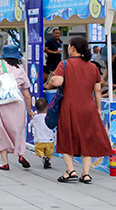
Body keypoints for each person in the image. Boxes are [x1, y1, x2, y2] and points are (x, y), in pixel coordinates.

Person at [45, 36, 112, 184]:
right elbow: (97, 90)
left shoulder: (64, 64)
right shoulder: (93, 67)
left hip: (69, 107)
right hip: (88, 107)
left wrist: (54, 77)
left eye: (69, 46)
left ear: (73, 48)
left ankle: (70, 171)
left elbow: (57, 82)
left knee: (66, 137)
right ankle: (86, 174)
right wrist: (98, 108)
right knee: (86, 139)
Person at [0, 45, 33, 171]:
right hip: (16, 101)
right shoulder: (20, 70)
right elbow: (27, 94)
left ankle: (5, 162)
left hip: (0, 100)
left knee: (0, 129)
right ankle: (21, 154)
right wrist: (29, 111)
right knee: (18, 129)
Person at [31, 98, 55, 169]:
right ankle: (48, 161)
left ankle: (43, 157)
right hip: (49, 140)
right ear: (48, 107)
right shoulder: (50, 117)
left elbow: (32, 124)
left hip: (39, 140)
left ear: (37, 109)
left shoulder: (36, 117)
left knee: (39, 151)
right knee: (49, 153)